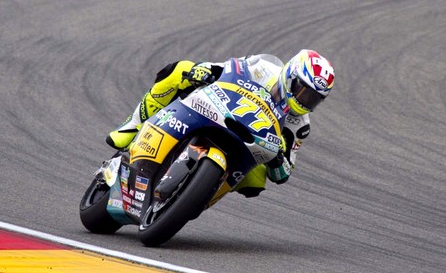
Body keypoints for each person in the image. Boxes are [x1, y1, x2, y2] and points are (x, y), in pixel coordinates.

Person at [106, 50, 335, 197]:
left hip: (249, 146)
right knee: (180, 70)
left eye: (312, 98)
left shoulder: (300, 126)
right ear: (290, 75)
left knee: (255, 183)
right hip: (217, 108)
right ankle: (133, 126)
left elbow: (284, 175)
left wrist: (278, 161)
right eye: (301, 90)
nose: (304, 99)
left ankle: (198, 192)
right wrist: (205, 70)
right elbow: (226, 68)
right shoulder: (264, 68)